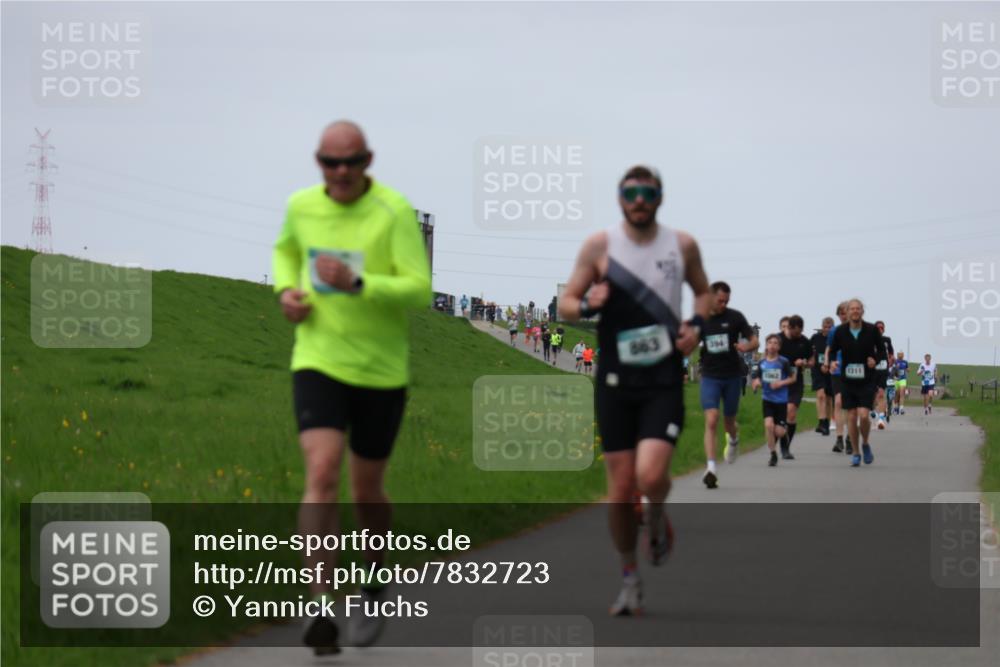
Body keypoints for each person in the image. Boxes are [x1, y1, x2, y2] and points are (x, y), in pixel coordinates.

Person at [272, 120, 432, 654]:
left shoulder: (394, 211)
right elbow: (286, 252)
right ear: (318, 161)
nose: (340, 173)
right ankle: (319, 605)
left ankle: (373, 582)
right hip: (318, 358)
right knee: (320, 472)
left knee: (366, 494)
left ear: (368, 160)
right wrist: (286, 292)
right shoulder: (301, 206)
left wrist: (360, 283)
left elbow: (418, 290)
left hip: (381, 372)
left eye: (352, 162)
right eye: (330, 162)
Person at [558, 165, 711, 617]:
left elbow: (702, 293)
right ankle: (629, 578)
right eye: (631, 193)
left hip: (662, 378)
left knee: (650, 477)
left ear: (660, 197)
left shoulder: (681, 245)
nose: (639, 199)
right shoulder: (599, 246)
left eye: (648, 192)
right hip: (614, 382)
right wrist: (588, 303)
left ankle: (658, 516)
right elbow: (566, 304)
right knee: (620, 489)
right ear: (620, 198)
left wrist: (697, 327)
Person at [698, 281, 758, 485]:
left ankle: (733, 439)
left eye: (726, 301)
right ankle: (711, 468)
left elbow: (754, 341)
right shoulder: (702, 318)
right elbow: (688, 340)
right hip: (710, 375)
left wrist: (745, 346)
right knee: (712, 418)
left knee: (728, 421)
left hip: (732, 376)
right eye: (720, 300)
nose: (723, 304)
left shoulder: (735, 317)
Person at [828, 299, 886, 467]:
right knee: (852, 416)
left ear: (862, 311)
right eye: (851, 309)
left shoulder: (871, 330)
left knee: (863, 415)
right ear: (848, 311)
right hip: (847, 380)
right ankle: (855, 452)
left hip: (867, 379)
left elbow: (882, 351)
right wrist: (832, 362)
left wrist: (874, 359)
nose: (854, 311)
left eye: (857, 308)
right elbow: (832, 351)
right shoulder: (840, 332)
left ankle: (865, 443)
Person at [751, 334, 796, 467]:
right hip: (767, 400)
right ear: (766, 345)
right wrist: (757, 383)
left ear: (779, 346)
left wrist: (781, 383)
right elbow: (757, 378)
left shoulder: (783, 362)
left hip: (781, 401)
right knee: (768, 426)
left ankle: (785, 434)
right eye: (770, 342)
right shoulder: (762, 363)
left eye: (775, 343)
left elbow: (793, 378)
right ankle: (773, 454)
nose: (772, 345)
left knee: (779, 432)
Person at [778, 315, 814, 459]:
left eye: (800, 332)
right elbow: (768, 356)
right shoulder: (778, 339)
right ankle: (778, 444)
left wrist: (805, 362)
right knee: (780, 415)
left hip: (795, 382)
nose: (798, 335)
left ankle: (785, 448)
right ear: (789, 328)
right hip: (779, 381)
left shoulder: (804, 341)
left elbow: (812, 360)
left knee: (791, 412)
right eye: (796, 332)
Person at [824, 302, 850, 454]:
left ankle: (850, 437)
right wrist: (828, 361)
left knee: (851, 406)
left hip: (853, 372)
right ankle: (840, 439)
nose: (843, 315)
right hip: (837, 371)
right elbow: (829, 348)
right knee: (839, 402)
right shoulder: (834, 331)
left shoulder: (857, 330)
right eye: (840, 313)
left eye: (845, 312)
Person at [811, 317, 834, 435]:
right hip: (817, 370)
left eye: (830, 327)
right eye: (825, 327)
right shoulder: (816, 338)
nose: (827, 330)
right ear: (822, 327)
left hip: (831, 371)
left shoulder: (836, 339)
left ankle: (827, 423)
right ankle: (821, 421)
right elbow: (809, 351)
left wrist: (830, 366)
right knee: (820, 395)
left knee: (829, 399)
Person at [871, 321, 895, 429]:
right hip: (872, 370)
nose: (880, 329)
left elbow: (891, 353)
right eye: (878, 327)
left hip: (883, 369)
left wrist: (891, 359)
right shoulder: (869, 340)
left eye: (882, 327)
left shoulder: (887, 340)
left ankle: (881, 419)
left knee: (881, 393)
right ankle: (873, 410)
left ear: (884, 329)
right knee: (872, 395)